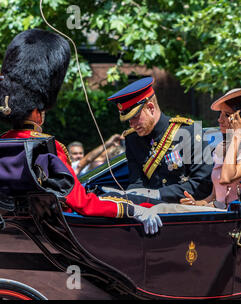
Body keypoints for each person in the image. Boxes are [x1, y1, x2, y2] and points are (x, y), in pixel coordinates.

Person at [0, 29, 161, 234]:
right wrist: (132, 209)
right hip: (61, 236)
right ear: (38, 112)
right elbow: (82, 204)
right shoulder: (46, 149)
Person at [145, 84, 241, 215]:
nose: (219, 119)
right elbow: (214, 197)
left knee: (164, 211)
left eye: (227, 115)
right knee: (162, 209)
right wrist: (196, 204)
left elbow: (226, 178)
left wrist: (237, 135)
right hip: (220, 215)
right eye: (220, 114)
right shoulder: (222, 147)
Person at [104, 77, 214, 204]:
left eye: (135, 117)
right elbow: (136, 183)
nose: (132, 124)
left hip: (184, 212)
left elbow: (202, 185)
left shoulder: (190, 132)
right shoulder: (132, 139)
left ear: (150, 108)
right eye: (128, 120)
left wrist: (158, 194)